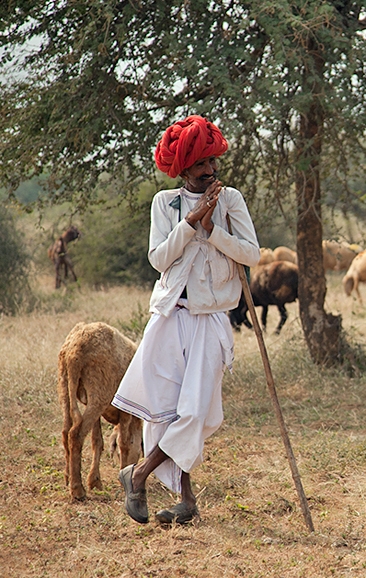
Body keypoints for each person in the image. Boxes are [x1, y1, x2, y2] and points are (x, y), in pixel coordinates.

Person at [112, 115, 260, 525]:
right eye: (200, 165)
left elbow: (252, 255)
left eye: (212, 162)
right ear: (183, 169)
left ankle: (138, 474)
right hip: (169, 315)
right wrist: (191, 223)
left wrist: (213, 230)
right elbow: (158, 259)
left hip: (210, 318)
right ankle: (187, 500)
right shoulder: (166, 203)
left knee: (197, 412)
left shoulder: (230, 200)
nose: (210, 171)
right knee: (167, 410)